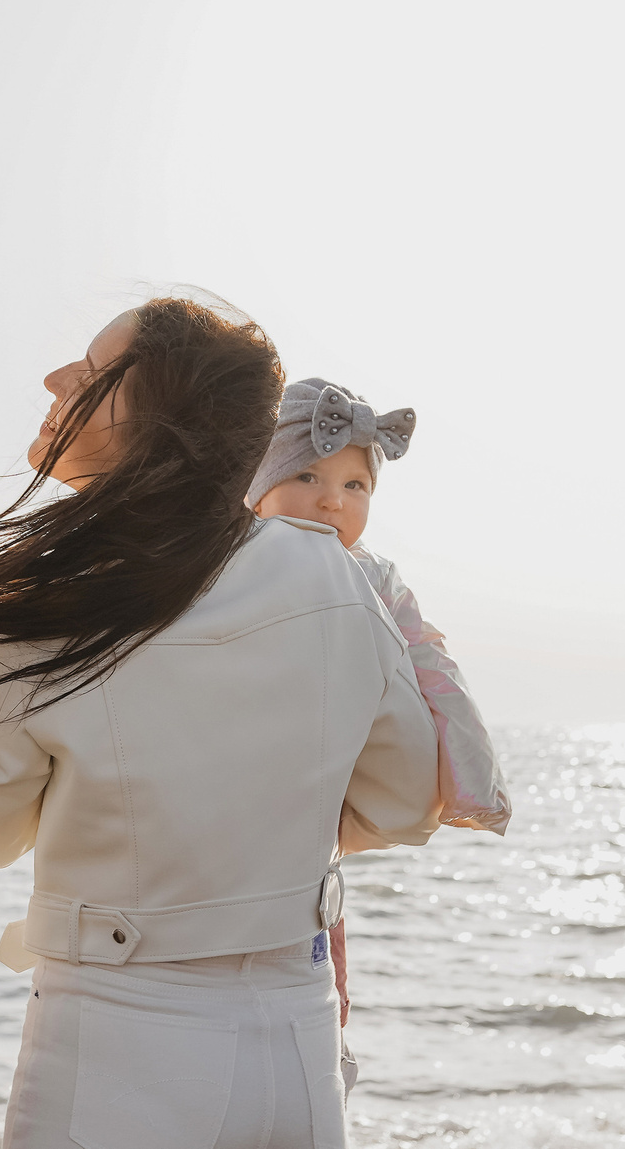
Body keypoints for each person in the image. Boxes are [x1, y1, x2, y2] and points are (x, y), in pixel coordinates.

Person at [0, 300, 445, 1149]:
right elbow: (410, 801)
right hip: (298, 1049)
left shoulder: (64, 594)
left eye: (89, 374)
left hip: (121, 1049)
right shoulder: (335, 575)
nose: (56, 382)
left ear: (162, 424)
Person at [245, 375, 510, 1088]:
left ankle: (327, 1054)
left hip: (330, 788)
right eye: (307, 474)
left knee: (318, 927)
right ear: (256, 481)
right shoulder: (228, 562)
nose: (332, 498)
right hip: (242, 781)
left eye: (355, 484)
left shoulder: (375, 576)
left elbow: (436, 671)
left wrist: (473, 783)